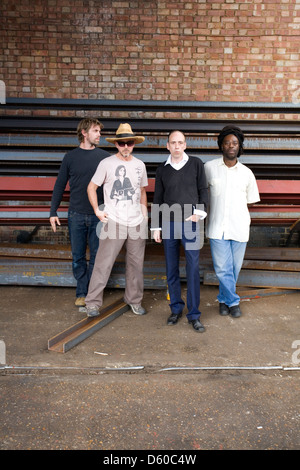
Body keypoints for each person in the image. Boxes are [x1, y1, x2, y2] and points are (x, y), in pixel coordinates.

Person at [84, 123, 148, 318]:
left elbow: (142, 191)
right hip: (114, 222)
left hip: (136, 222)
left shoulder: (140, 165)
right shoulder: (107, 164)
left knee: (136, 265)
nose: (126, 146)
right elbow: (91, 187)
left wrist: (144, 215)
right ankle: (92, 303)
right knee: (103, 263)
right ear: (116, 144)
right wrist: (97, 211)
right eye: (122, 143)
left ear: (134, 143)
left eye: (129, 142)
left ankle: (134, 301)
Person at [152, 130, 208, 332]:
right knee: (171, 268)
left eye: (180, 142)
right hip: (168, 223)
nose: (176, 146)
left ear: (185, 145)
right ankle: (175, 308)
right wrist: (156, 226)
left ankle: (194, 314)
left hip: (190, 223)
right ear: (167, 146)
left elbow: (203, 189)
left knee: (192, 267)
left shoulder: (196, 164)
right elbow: (158, 198)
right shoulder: (162, 169)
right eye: (173, 143)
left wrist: (199, 213)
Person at [50, 118, 110, 307]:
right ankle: (81, 292)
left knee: (96, 257)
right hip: (75, 214)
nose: (99, 134)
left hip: (98, 215)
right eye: (95, 131)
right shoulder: (70, 157)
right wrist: (53, 211)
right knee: (77, 257)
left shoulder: (105, 157)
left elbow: (111, 187)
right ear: (84, 133)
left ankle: (91, 294)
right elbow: (60, 185)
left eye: (99, 131)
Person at [204, 125, 260, 318]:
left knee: (233, 269)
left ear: (239, 146)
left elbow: (251, 202)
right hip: (216, 227)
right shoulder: (209, 168)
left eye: (234, 143)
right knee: (222, 269)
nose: (231, 146)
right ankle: (234, 302)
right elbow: (202, 194)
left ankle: (222, 300)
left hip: (239, 228)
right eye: (227, 142)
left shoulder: (247, 173)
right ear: (221, 145)